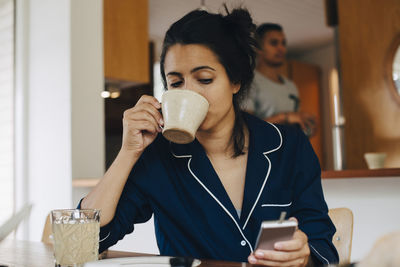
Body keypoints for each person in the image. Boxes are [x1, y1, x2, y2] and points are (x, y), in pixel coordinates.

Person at [79, 6, 338, 266]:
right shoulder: (158, 156)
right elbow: (84, 241)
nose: (189, 93)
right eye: (177, 83)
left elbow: (323, 247)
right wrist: (128, 153)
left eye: (204, 79)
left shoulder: (288, 146)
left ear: (235, 81)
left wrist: (303, 257)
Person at [245, 23, 316, 136]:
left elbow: (296, 123)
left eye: (283, 43)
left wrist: (305, 123)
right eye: (274, 43)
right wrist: (285, 117)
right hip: (264, 151)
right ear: (258, 47)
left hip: (291, 150)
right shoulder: (249, 82)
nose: (281, 48)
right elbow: (247, 128)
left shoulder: (291, 86)